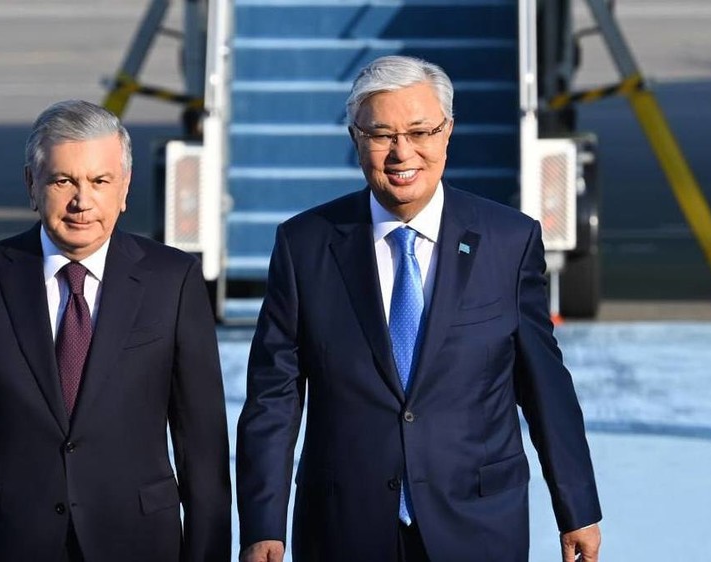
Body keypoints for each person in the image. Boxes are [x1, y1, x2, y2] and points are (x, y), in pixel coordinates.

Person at [236, 55, 602, 562]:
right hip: (344, 527)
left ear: (447, 131)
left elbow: (544, 385)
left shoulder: (508, 241)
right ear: (355, 138)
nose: (401, 152)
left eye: (419, 132)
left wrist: (576, 507)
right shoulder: (305, 245)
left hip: (478, 524)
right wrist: (262, 525)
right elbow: (273, 398)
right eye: (381, 134)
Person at [0, 100, 231, 562]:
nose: (82, 201)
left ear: (124, 188)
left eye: (100, 181)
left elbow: (201, 443)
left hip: (138, 542)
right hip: (8, 544)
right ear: (31, 184)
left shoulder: (173, 280)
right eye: (63, 181)